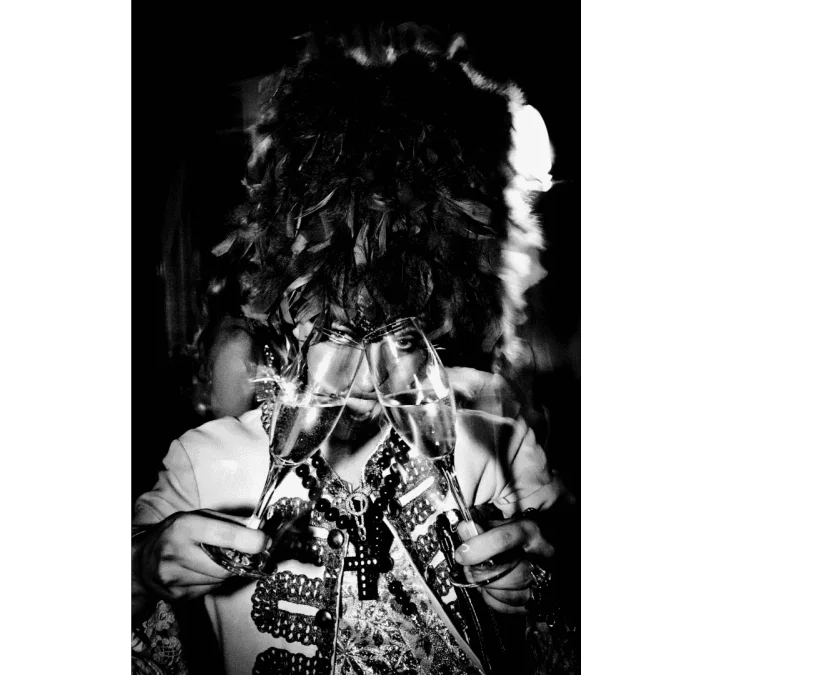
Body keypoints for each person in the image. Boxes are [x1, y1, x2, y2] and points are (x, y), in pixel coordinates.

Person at [131, 23, 574, 675]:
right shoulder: (202, 463)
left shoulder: (498, 449)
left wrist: (546, 578)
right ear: (293, 316)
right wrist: (143, 567)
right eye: (339, 329)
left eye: (395, 332)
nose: (367, 370)